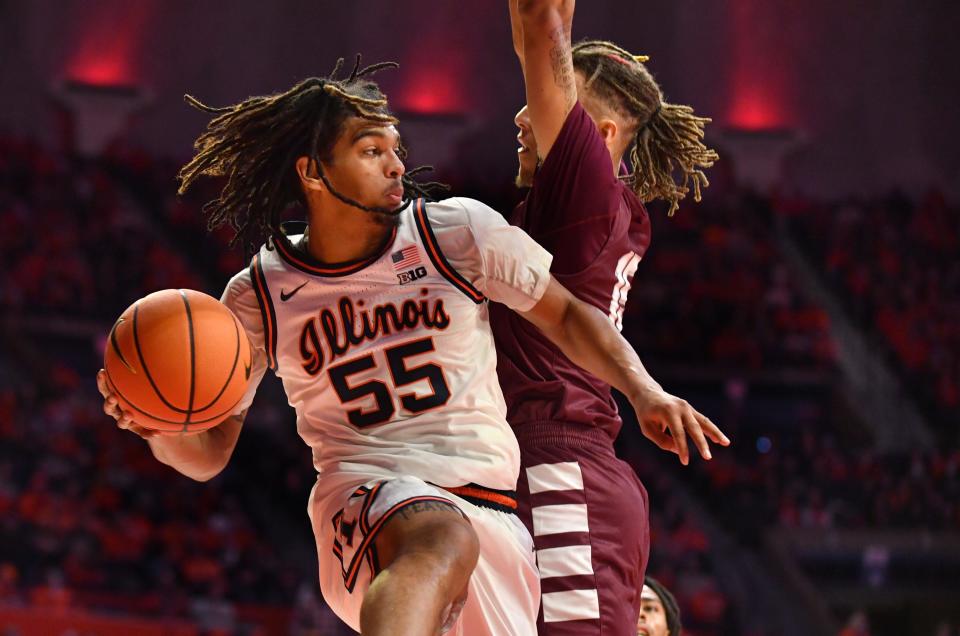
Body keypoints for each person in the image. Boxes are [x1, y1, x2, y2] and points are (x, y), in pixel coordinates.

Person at [97, 57, 722, 636]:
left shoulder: (455, 232)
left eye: (396, 148)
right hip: (369, 500)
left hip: (496, 521)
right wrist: (154, 425)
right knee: (437, 536)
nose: (397, 165)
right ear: (313, 172)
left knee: (453, 539)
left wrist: (645, 391)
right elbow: (208, 453)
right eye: (371, 151)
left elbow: (570, 317)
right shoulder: (259, 293)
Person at [490, 1, 724, 633]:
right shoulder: (587, 209)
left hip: (560, 466)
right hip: (524, 464)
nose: (522, 115)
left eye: (544, 104)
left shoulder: (585, 192)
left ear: (603, 135)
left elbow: (538, 29)